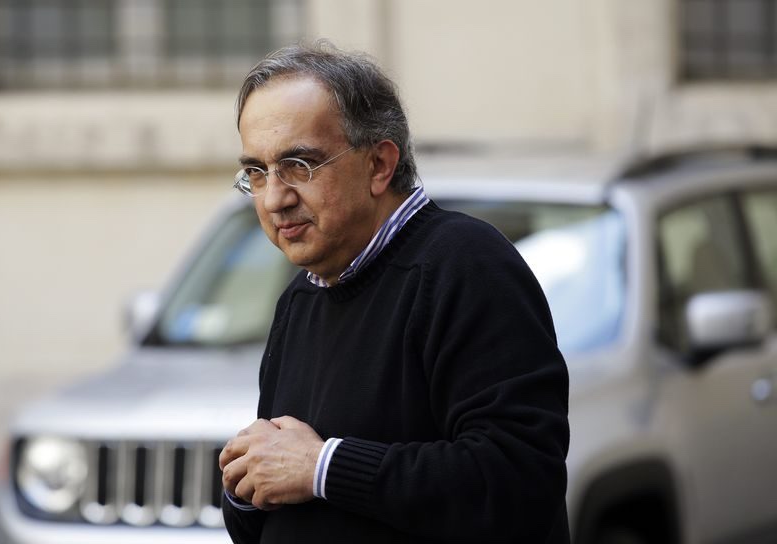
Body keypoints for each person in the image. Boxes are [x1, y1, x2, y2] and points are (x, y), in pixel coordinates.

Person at [219, 41, 570, 543]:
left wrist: (324, 467)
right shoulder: (302, 297)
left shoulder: (465, 264)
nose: (275, 197)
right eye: (256, 171)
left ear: (379, 166)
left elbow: (517, 484)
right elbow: (289, 499)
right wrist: (245, 484)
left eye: (299, 165)